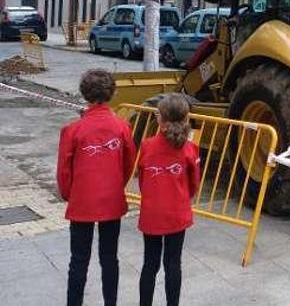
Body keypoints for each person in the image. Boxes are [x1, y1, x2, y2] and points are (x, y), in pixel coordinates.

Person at [56, 69, 137, 306]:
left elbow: (64, 170)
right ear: (111, 93)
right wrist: (116, 184)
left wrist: (70, 194)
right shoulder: (122, 128)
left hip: (82, 201)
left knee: (78, 259)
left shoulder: (72, 131)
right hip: (111, 199)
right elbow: (129, 163)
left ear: (84, 94)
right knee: (109, 258)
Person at [137, 94, 201, 306]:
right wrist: (182, 196)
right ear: (185, 119)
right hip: (177, 212)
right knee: (173, 263)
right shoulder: (190, 149)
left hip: (152, 212)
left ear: (160, 120)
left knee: (150, 264)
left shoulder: (147, 146)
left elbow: (142, 179)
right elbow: (194, 183)